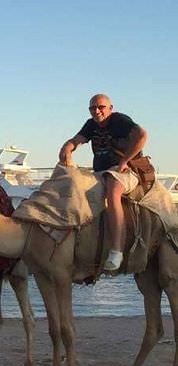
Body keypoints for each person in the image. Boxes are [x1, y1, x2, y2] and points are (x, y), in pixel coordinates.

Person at [59, 94, 148, 271]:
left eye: (101, 107)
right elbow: (76, 141)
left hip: (123, 171)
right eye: (93, 108)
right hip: (100, 172)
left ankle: (117, 249)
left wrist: (125, 160)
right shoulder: (91, 124)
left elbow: (142, 135)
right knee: (72, 188)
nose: (97, 111)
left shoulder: (119, 121)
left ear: (110, 108)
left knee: (112, 190)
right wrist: (66, 149)